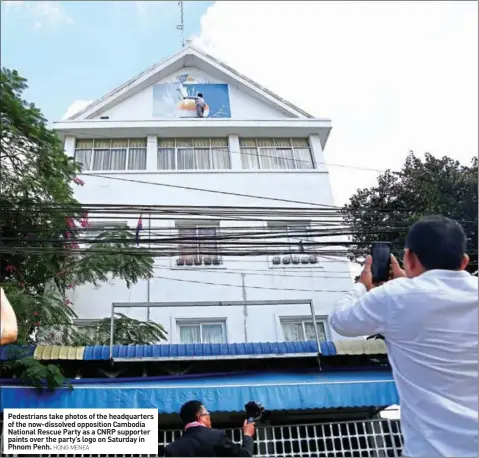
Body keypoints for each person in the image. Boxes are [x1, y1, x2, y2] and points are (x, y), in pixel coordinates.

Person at [329, 215, 478, 457]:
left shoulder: (394, 297)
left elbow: (340, 321)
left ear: (408, 258)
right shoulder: (399, 295)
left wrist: (361, 286)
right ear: (464, 261)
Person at [164, 400, 255, 457]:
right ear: (200, 417)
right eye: (207, 414)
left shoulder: (171, 449)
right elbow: (244, 455)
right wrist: (247, 435)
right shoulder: (217, 436)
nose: (209, 417)